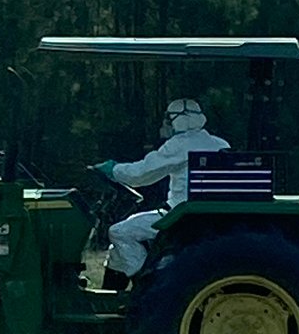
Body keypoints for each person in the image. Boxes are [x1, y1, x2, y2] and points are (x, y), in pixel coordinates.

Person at [94, 98, 229, 286]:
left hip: (179, 217)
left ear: (179, 119)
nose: (166, 124)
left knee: (118, 232)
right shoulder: (219, 143)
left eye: (168, 119)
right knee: (122, 243)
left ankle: (145, 284)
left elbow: (141, 174)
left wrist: (113, 170)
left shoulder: (180, 144)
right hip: (205, 216)